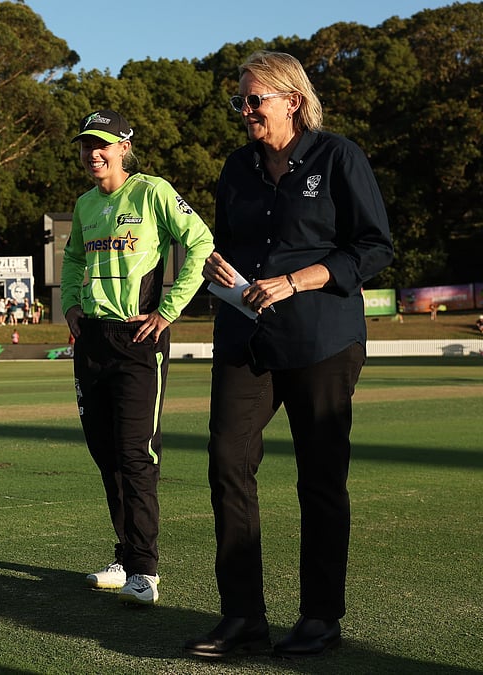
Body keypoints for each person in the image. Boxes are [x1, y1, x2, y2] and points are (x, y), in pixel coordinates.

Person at [184, 51, 393, 658]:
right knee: (227, 463)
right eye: (240, 102)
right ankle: (242, 617)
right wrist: (214, 267)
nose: (245, 111)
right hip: (245, 335)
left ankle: (320, 617)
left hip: (321, 340)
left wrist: (299, 280)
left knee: (320, 480)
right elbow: (227, 245)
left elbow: (375, 247)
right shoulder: (235, 167)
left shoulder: (338, 157)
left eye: (255, 100)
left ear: (291, 100)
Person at [60, 109, 215, 607]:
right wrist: (69, 305)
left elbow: (201, 243)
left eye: (102, 144)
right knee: (106, 455)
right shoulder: (85, 205)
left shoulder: (153, 192)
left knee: (135, 454)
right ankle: (125, 556)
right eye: (86, 145)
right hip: (92, 342)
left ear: (125, 146)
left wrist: (168, 311)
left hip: (139, 340)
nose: (93, 154)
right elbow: (73, 258)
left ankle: (145, 571)